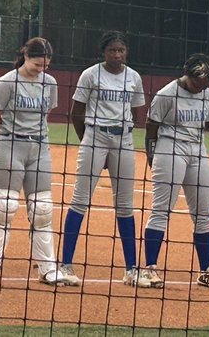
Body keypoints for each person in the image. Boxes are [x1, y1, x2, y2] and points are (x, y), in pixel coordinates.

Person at [0, 37, 69, 286]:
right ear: (25, 56)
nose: (41, 69)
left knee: (42, 208)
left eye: (45, 65)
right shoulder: (6, 83)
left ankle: (47, 268)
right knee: (5, 205)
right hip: (9, 145)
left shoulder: (49, 83)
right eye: (37, 64)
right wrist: (7, 140)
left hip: (38, 147)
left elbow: (45, 113)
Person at [60, 30, 147, 287]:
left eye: (121, 50)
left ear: (126, 52)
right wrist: (88, 140)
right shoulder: (91, 74)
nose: (117, 55)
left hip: (124, 139)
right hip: (95, 135)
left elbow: (134, 110)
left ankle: (131, 269)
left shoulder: (134, 77)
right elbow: (77, 112)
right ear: (103, 52)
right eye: (112, 50)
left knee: (126, 205)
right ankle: (66, 264)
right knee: (80, 199)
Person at [139, 53, 209, 289]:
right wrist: (152, 156)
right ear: (190, 76)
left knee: (203, 211)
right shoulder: (167, 93)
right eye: (201, 80)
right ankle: (150, 268)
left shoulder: (207, 95)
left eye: (208, 80)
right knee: (161, 208)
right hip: (170, 147)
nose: (205, 85)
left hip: (197, 149)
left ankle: (206, 271)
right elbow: (151, 127)